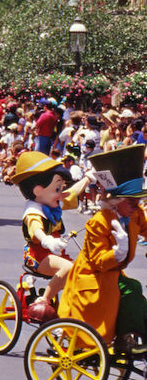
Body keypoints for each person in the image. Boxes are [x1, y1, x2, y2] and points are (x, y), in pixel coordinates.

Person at [59, 144, 147, 351]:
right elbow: (98, 262)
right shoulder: (98, 221)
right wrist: (118, 252)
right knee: (132, 288)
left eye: (138, 200)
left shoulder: (134, 214)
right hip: (92, 276)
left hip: (113, 275)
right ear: (116, 202)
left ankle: (141, 335)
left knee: (138, 298)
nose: (137, 205)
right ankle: (125, 340)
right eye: (132, 201)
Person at [12, 151, 89, 320]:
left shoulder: (50, 202)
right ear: (39, 191)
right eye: (57, 188)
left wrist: (88, 178)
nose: (61, 193)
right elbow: (36, 230)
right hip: (38, 256)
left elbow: (72, 193)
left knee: (84, 270)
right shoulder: (33, 212)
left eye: (60, 188)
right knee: (68, 268)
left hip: (54, 255)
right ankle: (44, 299)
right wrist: (48, 241)